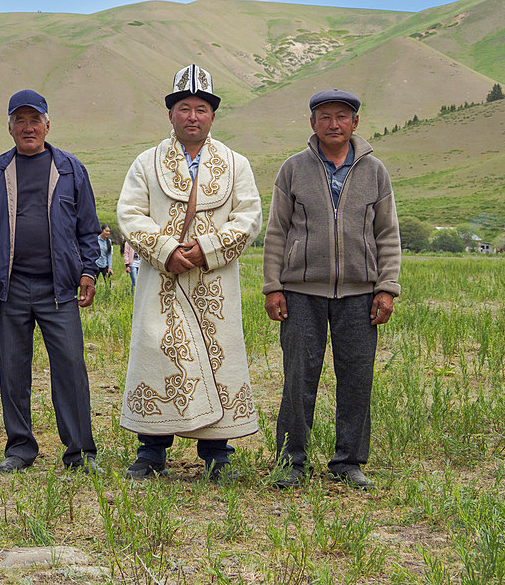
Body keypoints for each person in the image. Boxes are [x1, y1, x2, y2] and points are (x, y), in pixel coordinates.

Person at [117, 65, 262, 482]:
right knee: (156, 353)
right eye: (185, 108)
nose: (193, 116)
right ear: (171, 114)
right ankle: (151, 451)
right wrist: (165, 250)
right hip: (161, 280)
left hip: (213, 282)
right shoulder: (146, 163)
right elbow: (130, 214)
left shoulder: (236, 164)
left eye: (201, 109)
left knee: (219, 358)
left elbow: (249, 217)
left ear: (213, 115)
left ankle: (217, 454)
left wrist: (207, 250)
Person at [263, 88, 401, 490]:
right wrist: (274, 286)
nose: (334, 124)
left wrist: (387, 287)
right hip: (301, 291)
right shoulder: (293, 168)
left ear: (355, 123)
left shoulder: (375, 171)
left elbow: (388, 234)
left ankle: (349, 461)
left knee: (357, 379)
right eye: (325, 117)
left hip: (361, 293)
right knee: (298, 378)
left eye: (342, 116)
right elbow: (277, 232)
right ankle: (292, 461)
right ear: (312, 123)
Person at [0, 89, 100, 473]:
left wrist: (88, 269)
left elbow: (87, 228)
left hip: (58, 290)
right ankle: (20, 448)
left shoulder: (71, 170)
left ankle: (80, 452)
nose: (28, 127)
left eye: (34, 119)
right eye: (20, 120)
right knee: (12, 369)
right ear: (9, 127)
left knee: (71, 367)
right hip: (10, 289)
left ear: (48, 124)